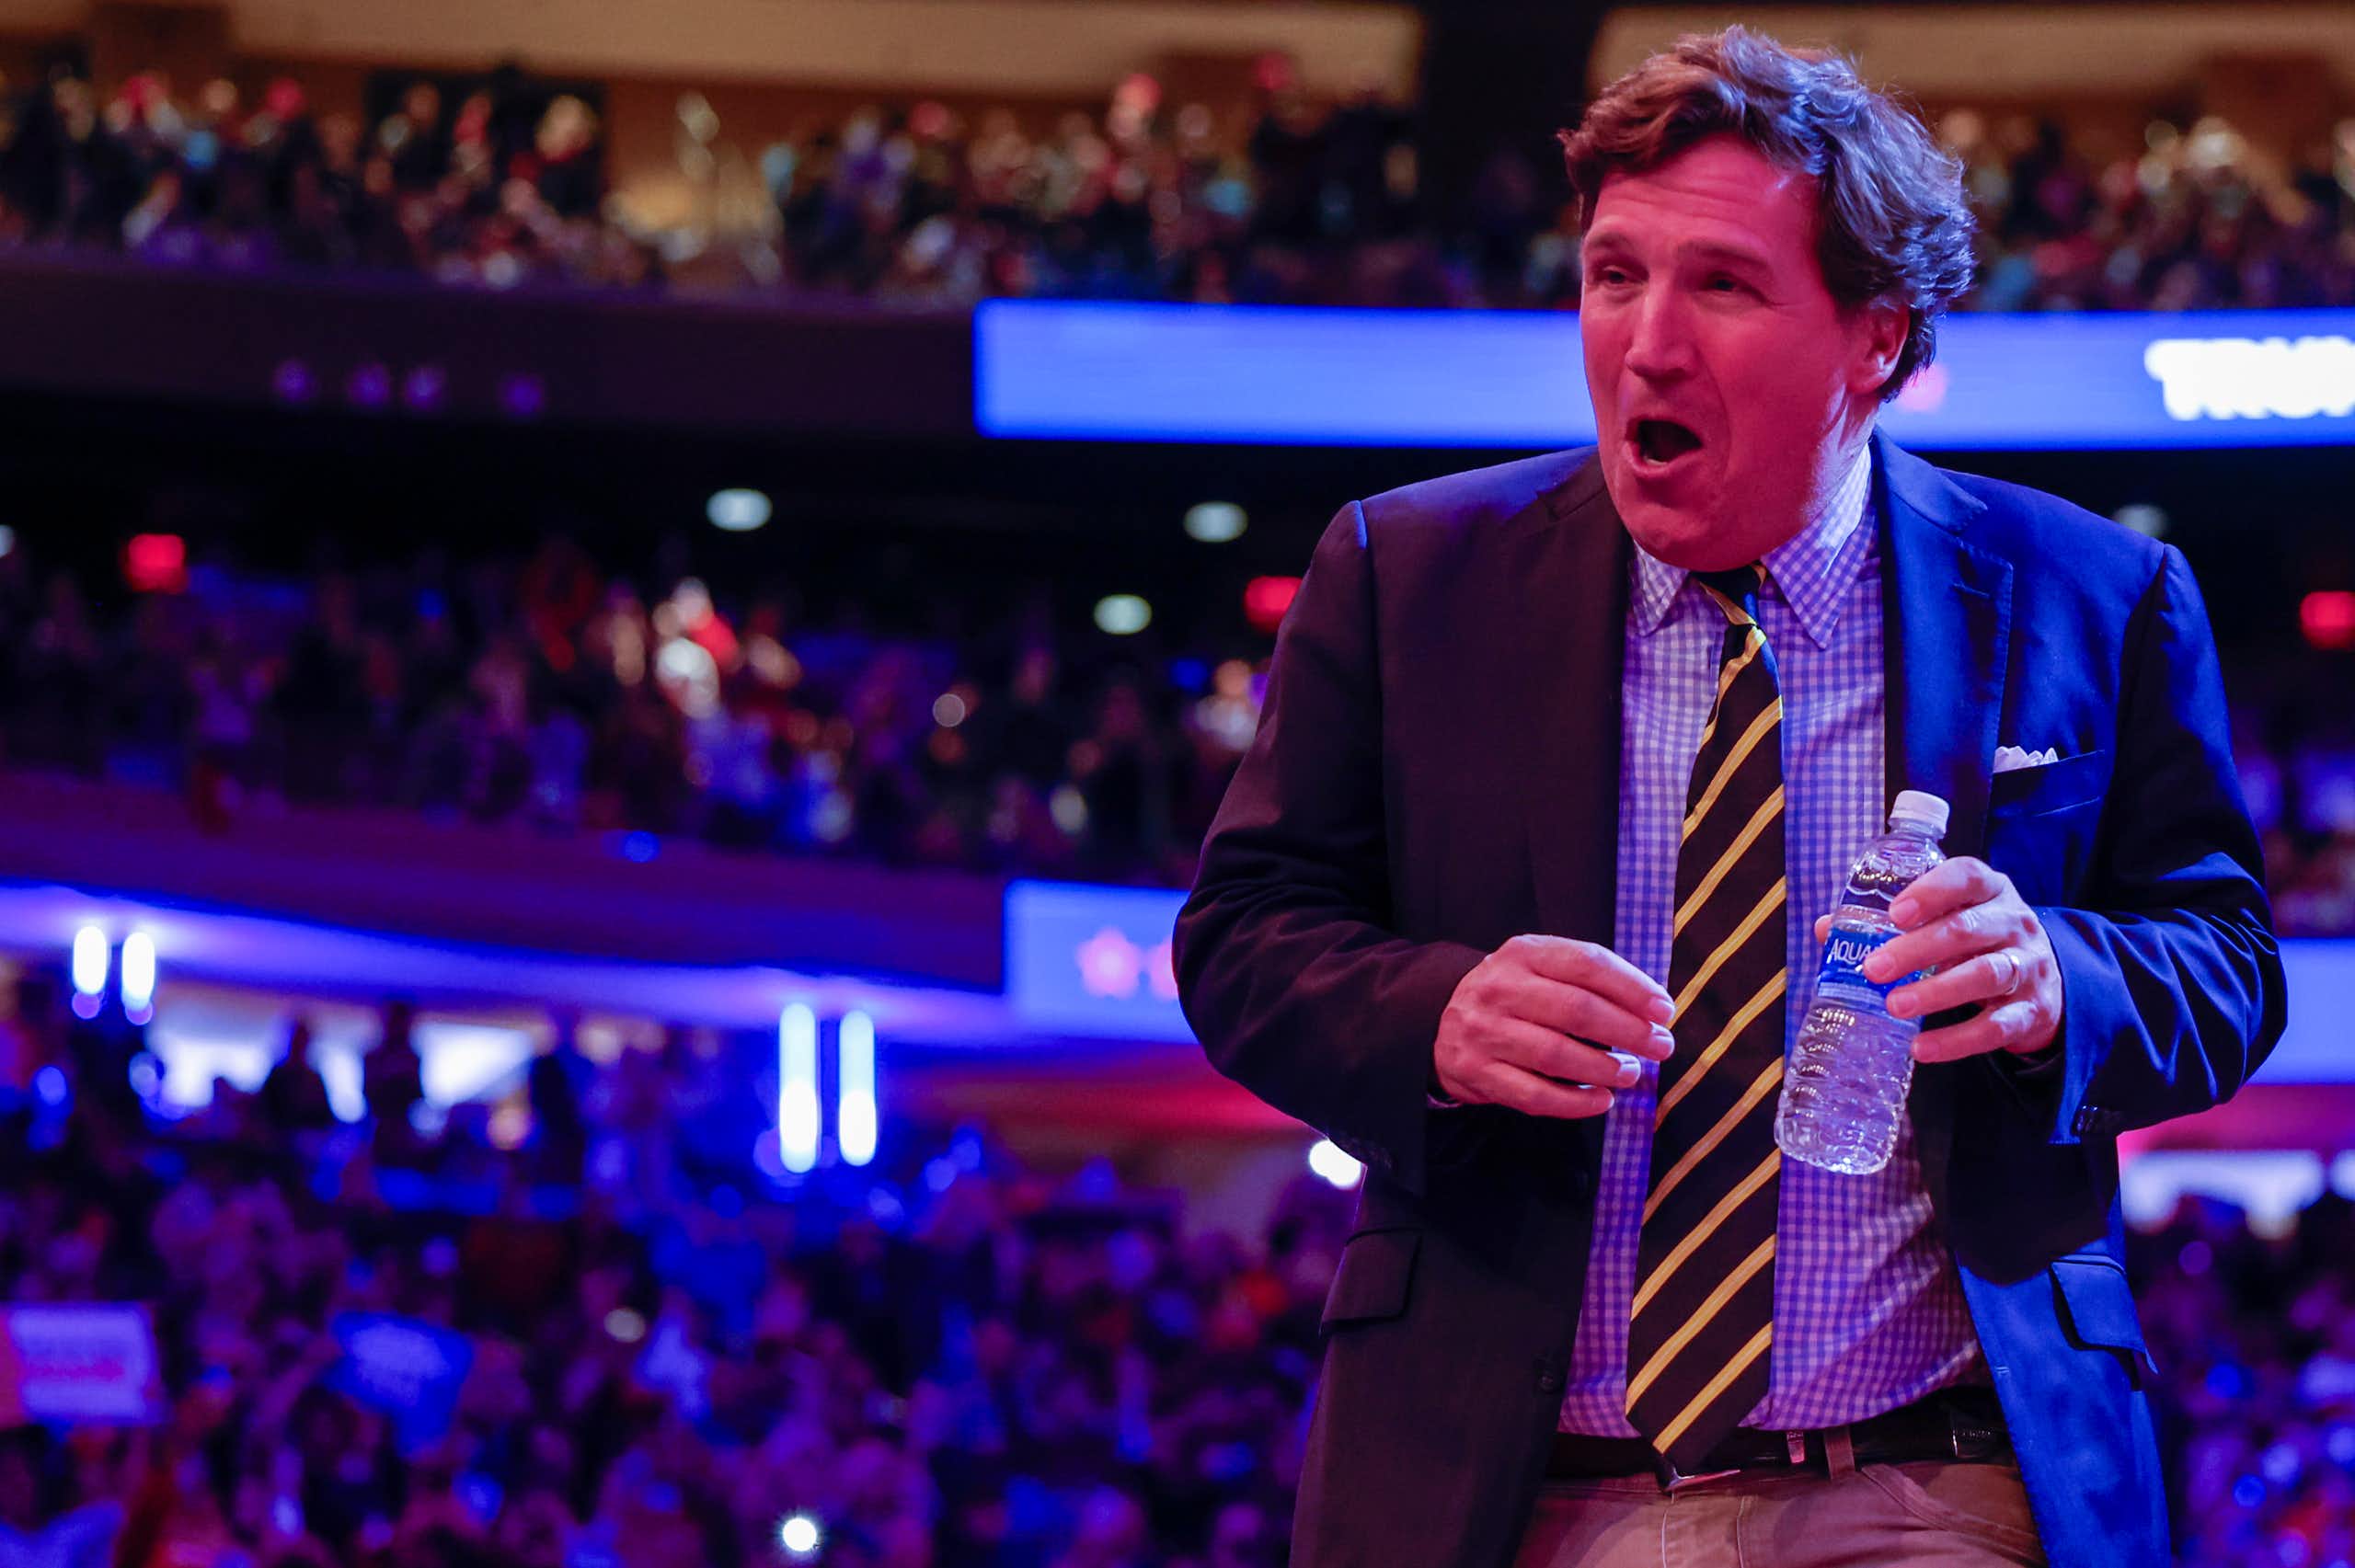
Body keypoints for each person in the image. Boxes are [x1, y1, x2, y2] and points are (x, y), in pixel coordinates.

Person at [1173, 28, 2284, 1568]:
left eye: (1723, 286)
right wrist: (1433, 1015)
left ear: (1876, 338)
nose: (1647, 341)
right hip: (1514, 1487)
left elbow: (2226, 960)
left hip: (1939, 1481)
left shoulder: (2096, 593)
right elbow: (1241, 933)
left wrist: (2058, 977)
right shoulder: (1404, 572)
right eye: (1614, 274)